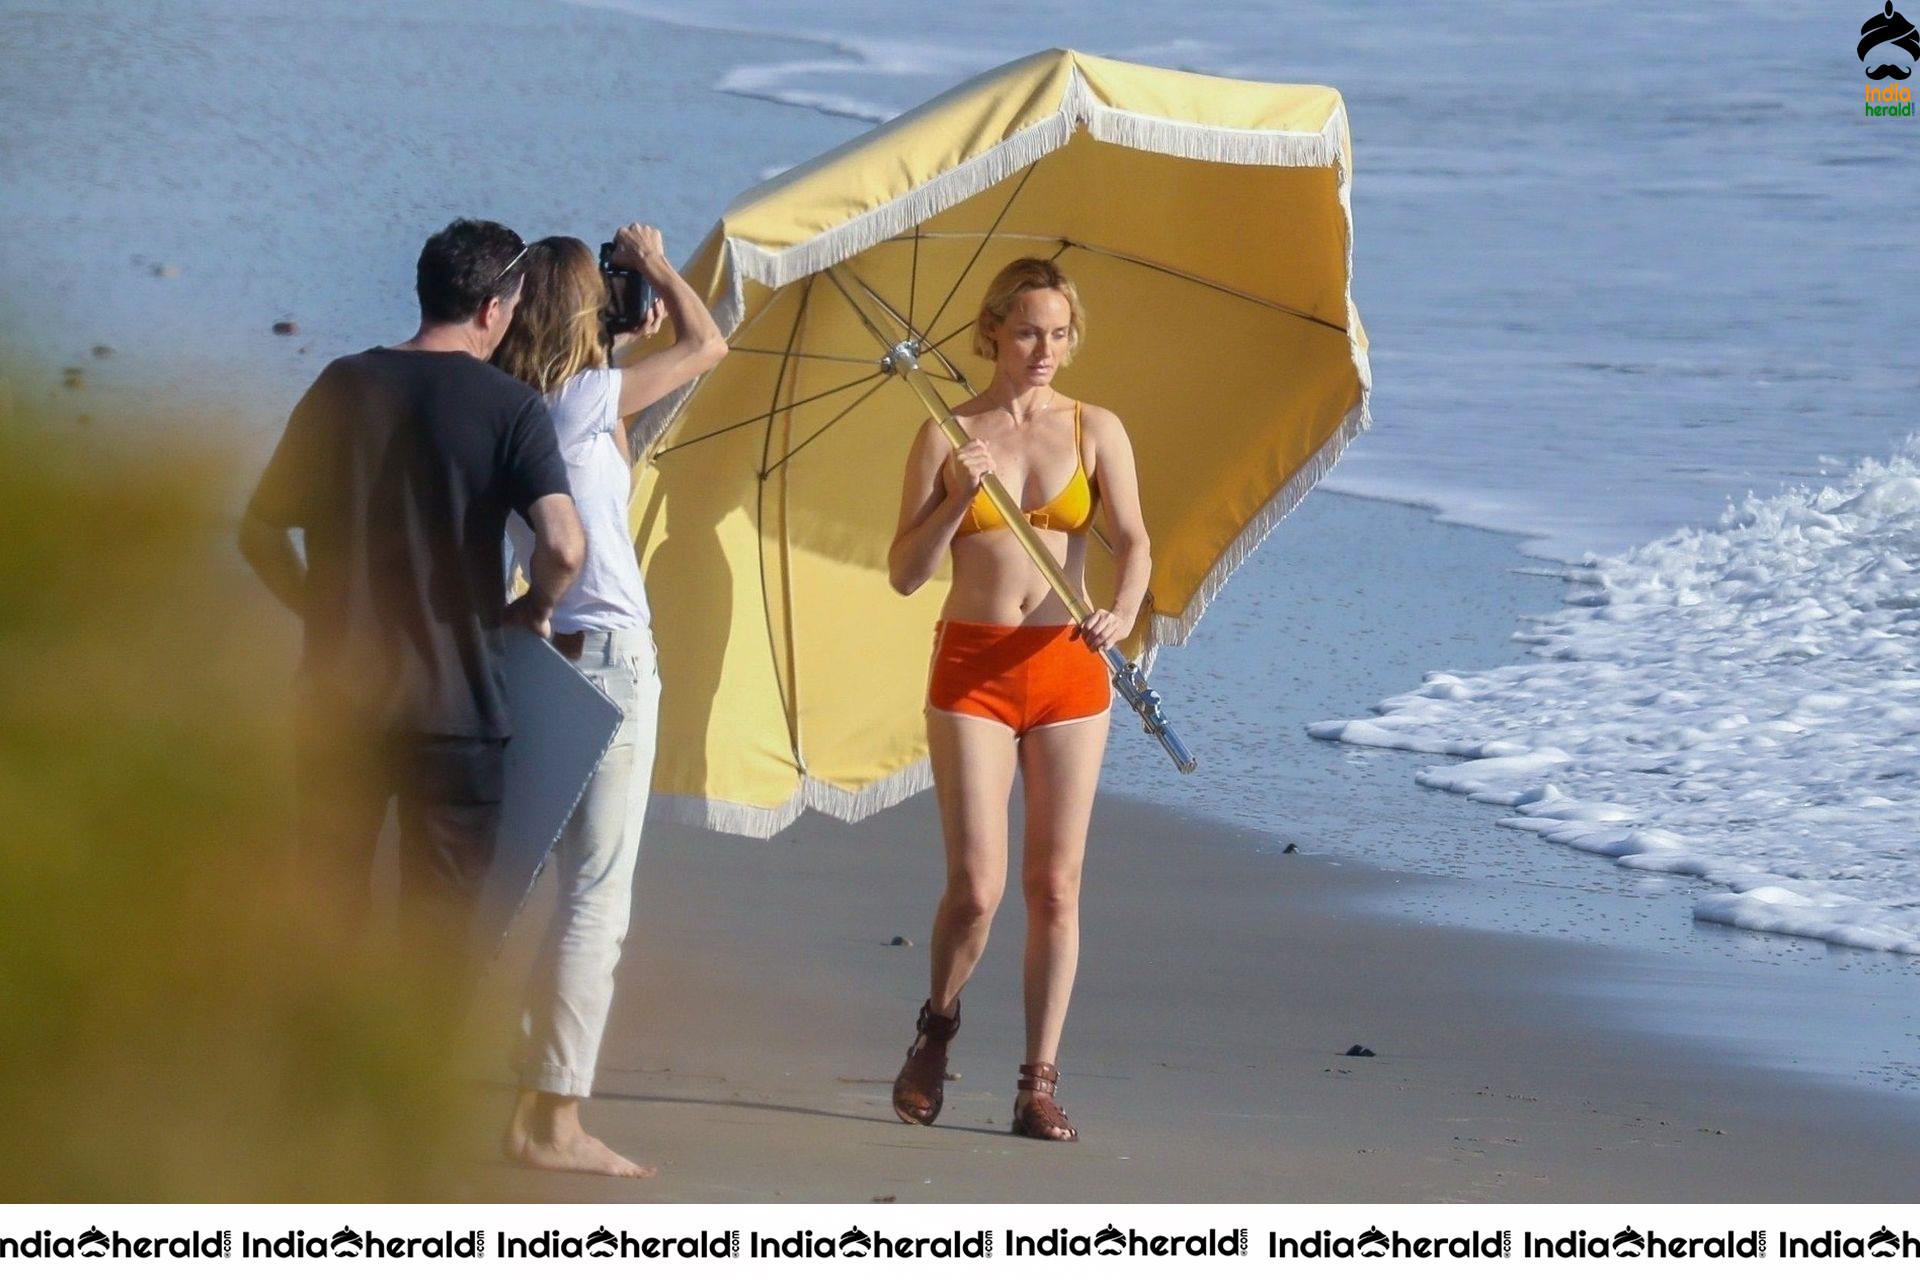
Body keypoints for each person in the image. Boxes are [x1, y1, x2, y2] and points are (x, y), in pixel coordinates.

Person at [239, 218, 586, 957]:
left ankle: (319, 1066)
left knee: (328, 912)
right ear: (494, 310)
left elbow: (260, 532)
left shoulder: (343, 384)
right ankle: (402, 1067)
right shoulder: (510, 408)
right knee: (437, 938)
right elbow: (562, 543)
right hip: (456, 708)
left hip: (341, 703)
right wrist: (537, 607)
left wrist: (316, 608)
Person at [885, 258, 1150, 1141]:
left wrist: (1122, 607)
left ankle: (1037, 1080)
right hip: (974, 668)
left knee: (1057, 886)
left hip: (1071, 668)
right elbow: (906, 574)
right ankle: (938, 1024)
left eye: (1060, 333)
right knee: (977, 888)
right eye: (1029, 330)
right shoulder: (946, 435)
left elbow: (1137, 542)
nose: (1045, 349)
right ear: (992, 330)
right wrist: (959, 497)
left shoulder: (1096, 428)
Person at [491, 223, 727, 1179]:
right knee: (596, 899)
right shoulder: (585, 399)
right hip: (610, 659)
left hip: (544, 652)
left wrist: (618, 336)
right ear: (587, 311)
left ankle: (529, 1097)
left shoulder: (512, 404)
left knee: (542, 888)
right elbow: (711, 346)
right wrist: (665, 268)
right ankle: (552, 1121)